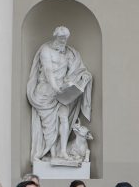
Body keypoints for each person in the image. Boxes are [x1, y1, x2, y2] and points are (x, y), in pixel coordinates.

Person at [27, 26, 93, 162]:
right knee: (49, 127)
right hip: (46, 93)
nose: (63, 41)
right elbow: (48, 70)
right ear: (55, 36)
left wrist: (84, 78)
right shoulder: (46, 50)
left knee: (64, 118)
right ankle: (50, 153)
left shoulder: (69, 53)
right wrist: (56, 88)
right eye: (61, 38)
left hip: (62, 93)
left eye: (65, 38)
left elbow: (75, 71)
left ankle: (62, 152)